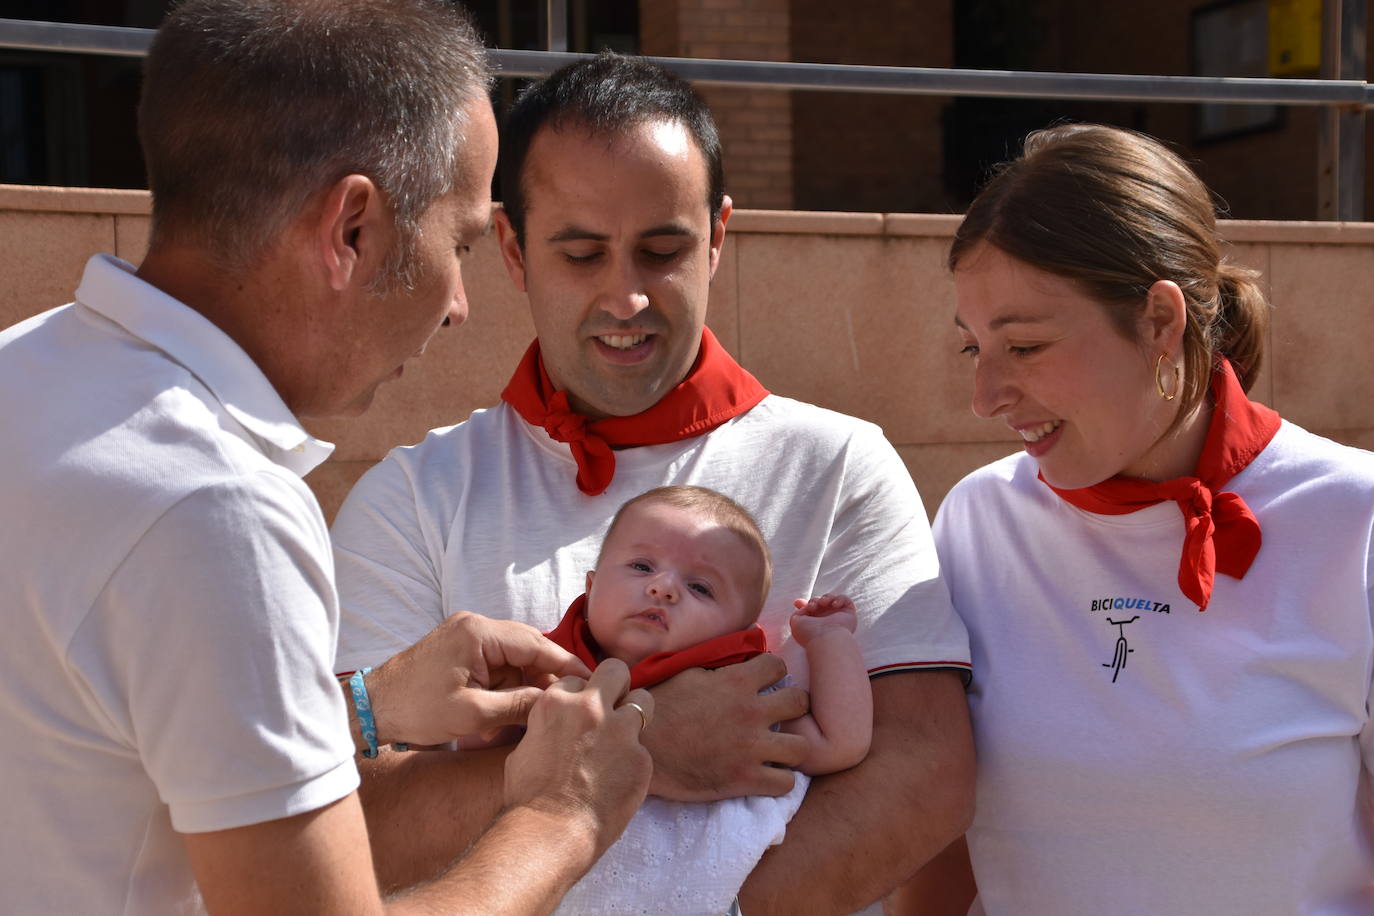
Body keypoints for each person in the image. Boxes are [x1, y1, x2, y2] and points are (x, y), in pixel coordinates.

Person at [0, 2, 653, 914]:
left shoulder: (25, 369)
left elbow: (92, 733)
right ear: (352, 229)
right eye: (459, 241)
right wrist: (564, 813)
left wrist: (360, 707)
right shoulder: (216, 506)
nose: (459, 303)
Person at [331, 52, 975, 914]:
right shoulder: (412, 498)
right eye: (583, 254)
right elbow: (356, 827)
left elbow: (925, 771)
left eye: (662, 250)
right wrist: (643, 748)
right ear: (515, 252)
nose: (626, 298)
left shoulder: (842, 466)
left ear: (717, 236)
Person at [931, 122, 1374, 914]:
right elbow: (936, 840)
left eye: (1024, 347)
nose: (985, 397)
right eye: (973, 349)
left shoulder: (1355, 518)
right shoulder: (977, 522)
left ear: (1161, 321)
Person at [542, 484, 871, 915]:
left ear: (738, 629)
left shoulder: (740, 690)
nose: (663, 588)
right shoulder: (544, 669)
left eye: (700, 588)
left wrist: (829, 640)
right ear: (592, 584)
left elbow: (837, 742)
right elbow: (483, 750)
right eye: (642, 566)